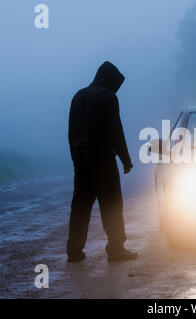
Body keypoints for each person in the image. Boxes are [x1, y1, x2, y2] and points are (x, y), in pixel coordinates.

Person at [66, 61, 137, 262]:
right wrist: (126, 159)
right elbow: (115, 130)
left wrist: (75, 158)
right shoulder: (108, 97)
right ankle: (116, 248)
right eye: (115, 84)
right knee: (112, 204)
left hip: (81, 159)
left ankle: (74, 250)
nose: (116, 89)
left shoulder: (78, 96)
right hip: (103, 160)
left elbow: (71, 132)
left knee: (80, 205)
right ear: (105, 78)